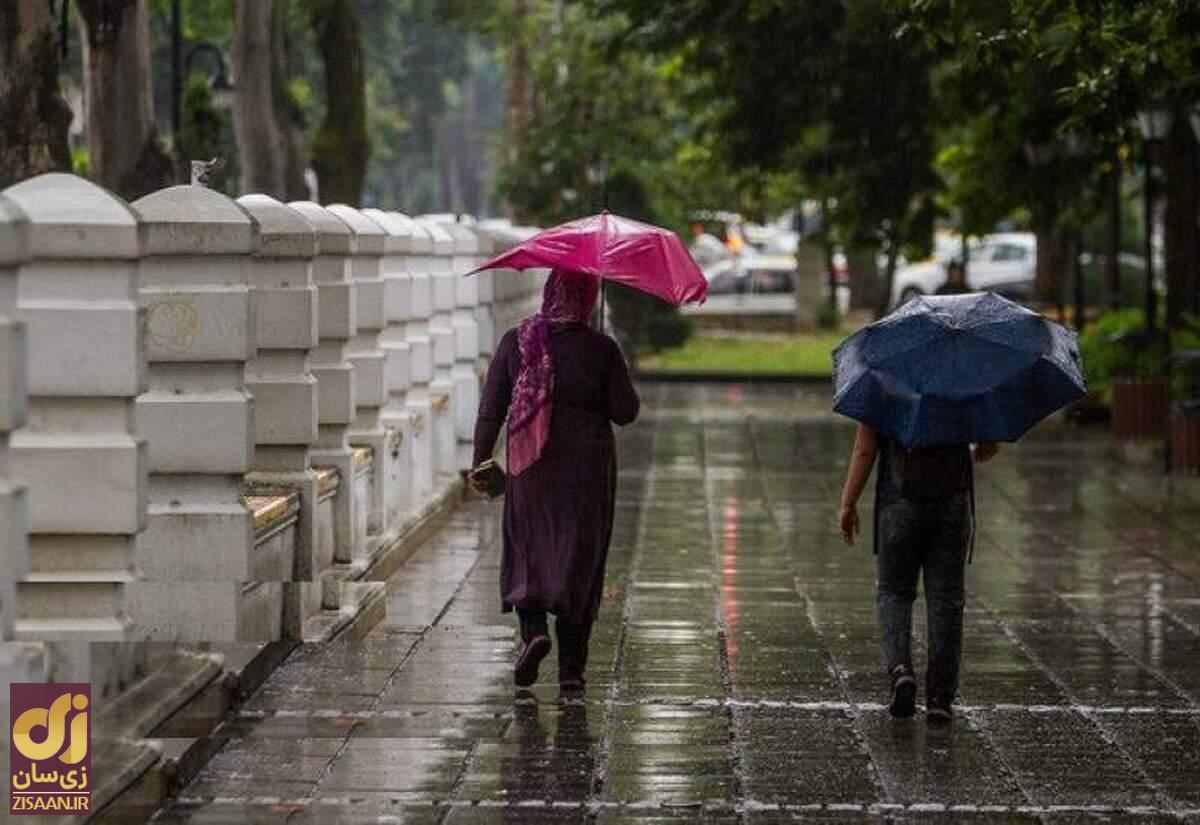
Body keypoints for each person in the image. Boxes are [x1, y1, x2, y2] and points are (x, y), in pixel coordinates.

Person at [471, 268, 640, 693]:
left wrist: (480, 462)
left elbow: (490, 409)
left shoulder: (518, 342)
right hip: (586, 474)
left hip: (531, 472)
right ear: (587, 298)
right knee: (577, 560)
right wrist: (605, 360)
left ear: (549, 291)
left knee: (529, 551)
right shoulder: (601, 349)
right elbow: (625, 411)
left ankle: (533, 634)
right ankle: (571, 671)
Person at [837, 424, 998, 721]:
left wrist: (848, 502)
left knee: (894, 593)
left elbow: (865, 447)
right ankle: (939, 696)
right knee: (946, 600)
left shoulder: (885, 378)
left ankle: (900, 671)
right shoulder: (967, 380)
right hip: (952, 500)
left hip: (898, 498)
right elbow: (988, 447)